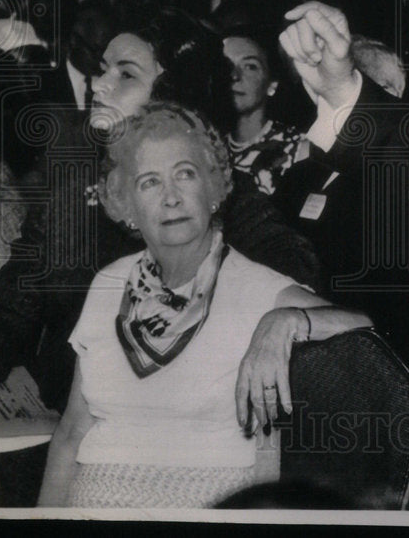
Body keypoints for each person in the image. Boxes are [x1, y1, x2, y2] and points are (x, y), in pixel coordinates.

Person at [0, 8, 322, 414]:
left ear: (170, 97)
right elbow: (7, 312)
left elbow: (295, 275)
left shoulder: (221, 195)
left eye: (125, 74)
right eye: (103, 69)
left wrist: (281, 319)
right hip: (63, 419)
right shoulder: (74, 193)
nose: (100, 84)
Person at [37, 103, 370, 508]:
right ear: (127, 208)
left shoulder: (253, 287)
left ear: (213, 190)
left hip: (202, 504)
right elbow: (72, 430)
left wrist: (287, 320)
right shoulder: (108, 283)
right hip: (90, 503)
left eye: (185, 174)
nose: (171, 197)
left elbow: (364, 328)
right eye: (149, 183)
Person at [222, 26, 310, 195]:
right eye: (226, 65)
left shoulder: (297, 148)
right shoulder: (205, 144)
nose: (234, 75)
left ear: (272, 85)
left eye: (250, 66)